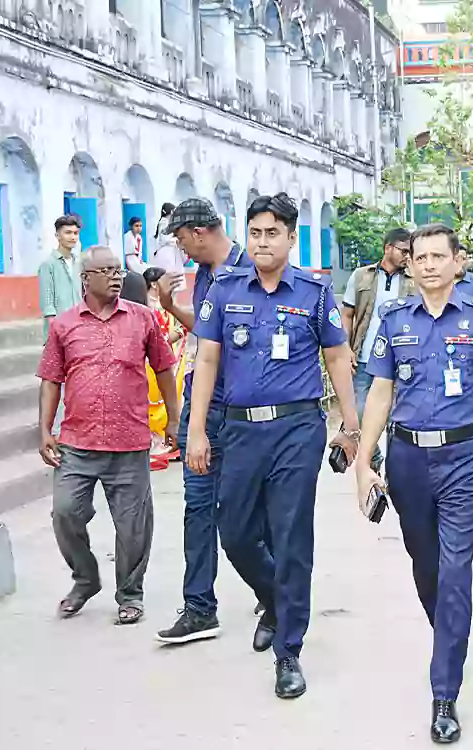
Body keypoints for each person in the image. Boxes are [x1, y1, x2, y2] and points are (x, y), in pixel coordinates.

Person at [187, 193, 360, 699]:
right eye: (256, 233)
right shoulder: (224, 289)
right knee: (234, 530)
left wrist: (350, 428)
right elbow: (207, 364)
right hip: (239, 428)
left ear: (290, 237)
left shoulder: (314, 292)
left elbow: (337, 359)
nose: (263, 243)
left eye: (273, 234)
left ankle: (289, 651)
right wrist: (197, 429)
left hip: (296, 429)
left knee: (290, 537)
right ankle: (274, 598)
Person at [355, 223, 473, 744]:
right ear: (409, 265)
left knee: (454, 572)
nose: (426, 264)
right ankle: (452, 631)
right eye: (417, 257)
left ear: (457, 263)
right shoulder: (393, 319)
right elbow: (380, 392)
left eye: (436, 256)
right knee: (426, 568)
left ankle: (443, 692)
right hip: (406, 460)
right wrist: (364, 460)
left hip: (465, 459)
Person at [37, 246, 180, 626]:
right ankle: (85, 580)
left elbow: (165, 368)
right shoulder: (64, 325)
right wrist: (44, 430)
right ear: (86, 279)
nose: (117, 277)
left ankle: (130, 593)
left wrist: (174, 418)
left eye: (119, 270)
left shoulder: (143, 319)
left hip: (129, 441)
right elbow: (52, 379)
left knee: (133, 525)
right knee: (65, 513)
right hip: (77, 442)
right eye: (107, 271)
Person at [153, 198, 258, 647]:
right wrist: (171, 307)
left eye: (180, 240)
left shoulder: (252, 270)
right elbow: (206, 334)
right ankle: (199, 607)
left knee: (250, 513)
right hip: (206, 408)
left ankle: (271, 590)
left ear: (199, 232)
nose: (180, 249)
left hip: (244, 413)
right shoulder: (205, 277)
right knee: (197, 508)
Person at [341, 227, 415, 473]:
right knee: (360, 414)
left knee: (395, 420)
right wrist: (345, 347)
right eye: (403, 250)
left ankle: (397, 471)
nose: (407, 255)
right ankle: (373, 458)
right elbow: (348, 314)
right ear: (388, 248)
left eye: (410, 252)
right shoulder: (362, 276)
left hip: (398, 363)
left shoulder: (413, 281)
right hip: (363, 358)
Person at [142, 267, 186, 469]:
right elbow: (158, 338)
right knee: (155, 401)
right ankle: (156, 444)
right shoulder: (147, 308)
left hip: (173, 358)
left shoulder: (168, 304)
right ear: (153, 284)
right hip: (155, 362)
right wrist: (174, 335)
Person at [38, 214, 84, 337]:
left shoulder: (79, 263)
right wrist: (53, 325)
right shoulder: (48, 264)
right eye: (68, 233)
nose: (73, 237)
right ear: (58, 235)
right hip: (59, 326)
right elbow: (47, 299)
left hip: (79, 324)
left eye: (75, 233)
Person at [151, 203, 185, 273]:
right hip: (167, 251)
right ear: (171, 211)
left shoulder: (168, 222)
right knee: (169, 270)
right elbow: (164, 239)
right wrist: (176, 239)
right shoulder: (164, 222)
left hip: (171, 250)